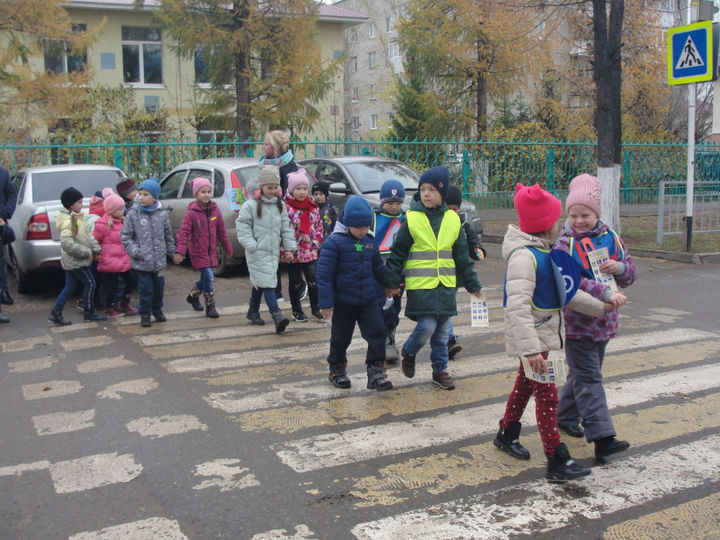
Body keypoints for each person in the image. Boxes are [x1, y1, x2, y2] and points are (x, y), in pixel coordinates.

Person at [494, 182, 627, 482]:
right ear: (545, 225)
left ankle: (507, 431)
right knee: (547, 396)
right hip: (533, 339)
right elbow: (516, 307)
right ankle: (556, 458)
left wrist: (602, 306)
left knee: (524, 386)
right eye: (556, 220)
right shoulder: (524, 258)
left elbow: (567, 292)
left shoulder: (546, 252)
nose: (560, 224)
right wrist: (530, 349)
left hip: (541, 338)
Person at [554, 173, 637, 461]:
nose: (579, 221)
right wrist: (603, 291)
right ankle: (602, 438)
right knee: (590, 379)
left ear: (596, 213)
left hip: (605, 322)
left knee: (581, 374)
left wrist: (619, 268)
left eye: (585, 215)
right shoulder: (564, 244)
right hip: (577, 323)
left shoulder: (611, 238)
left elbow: (630, 274)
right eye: (573, 215)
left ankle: (564, 416)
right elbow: (571, 282)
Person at [384, 166, 483, 390]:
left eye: (431, 190)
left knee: (441, 333)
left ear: (442, 192)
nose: (426, 194)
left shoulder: (452, 220)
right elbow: (397, 253)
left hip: (445, 286)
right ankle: (409, 351)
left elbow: (462, 257)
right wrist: (391, 282)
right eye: (423, 189)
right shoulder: (412, 219)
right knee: (427, 326)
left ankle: (440, 370)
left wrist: (473, 284)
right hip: (422, 287)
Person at [317, 195, 393, 391]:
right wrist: (326, 303)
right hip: (344, 302)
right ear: (348, 223)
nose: (362, 231)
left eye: (366, 227)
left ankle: (376, 371)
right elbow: (324, 275)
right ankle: (337, 369)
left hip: (368, 300)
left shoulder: (370, 241)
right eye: (358, 227)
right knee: (340, 338)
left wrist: (389, 284)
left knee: (378, 333)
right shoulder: (334, 243)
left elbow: (378, 268)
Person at [236, 165, 297, 333]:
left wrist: (290, 248)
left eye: (275, 187)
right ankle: (277, 316)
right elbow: (243, 227)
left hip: (272, 251)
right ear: (261, 186)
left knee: (262, 280)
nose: (273, 190)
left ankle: (253, 310)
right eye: (269, 187)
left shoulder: (279, 205)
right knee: (268, 283)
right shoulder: (250, 205)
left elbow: (286, 227)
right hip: (256, 251)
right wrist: (252, 245)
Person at [173, 177, 233, 319]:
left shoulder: (215, 210)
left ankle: (193, 296)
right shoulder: (191, 213)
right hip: (198, 251)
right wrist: (180, 251)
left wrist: (227, 247)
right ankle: (210, 306)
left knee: (205, 278)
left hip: (211, 251)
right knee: (209, 277)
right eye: (203, 192)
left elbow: (221, 231)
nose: (206, 195)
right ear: (196, 194)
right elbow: (183, 233)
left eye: (208, 192)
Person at [121, 178, 175, 328]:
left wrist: (172, 252)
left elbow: (168, 235)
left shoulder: (162, 214)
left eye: (146, 194)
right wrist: (135, 252)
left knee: (159, 288)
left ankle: (157, 309)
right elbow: (125, 236)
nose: (142, 197)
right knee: (145, 289)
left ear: (155, 197)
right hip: (142, 261)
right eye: (140, 194)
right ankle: (145, 313)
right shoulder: (133, 214)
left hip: (158, 262)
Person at [48, 187, 107, 325]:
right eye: (79, 202)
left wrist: (96, 249)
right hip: (76, 261)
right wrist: (86, 252)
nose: (82, 205)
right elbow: (67, 243)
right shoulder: (69, 221)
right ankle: (89, 311)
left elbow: (86, 235)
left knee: (70, 287)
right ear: (71, 205)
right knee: (91, 283)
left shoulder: (77, 218)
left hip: (74, 260)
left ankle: (55, 312)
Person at [259, 129, 302, 302]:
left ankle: (298, 288)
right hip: (267, 216)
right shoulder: (264, 164)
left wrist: (277, 201)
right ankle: (275, 291)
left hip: (283, 217)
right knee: (271, 255)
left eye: (266, 144)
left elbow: (290, 193)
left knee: (287, 256)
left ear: (276, 148)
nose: (263, 147)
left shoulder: (288, 167)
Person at [444, 184, 485, 360]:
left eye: (455, 209)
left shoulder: (463, 224)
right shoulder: (438, 225)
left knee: (448, 306)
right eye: (449, 208)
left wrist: (477, 249)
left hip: (457, 275)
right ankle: (448, 339)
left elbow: (472, 240)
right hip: (442, 273)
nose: (452, 212)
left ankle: (446, 338)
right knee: (446, 307)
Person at [372, 179, 407, 364]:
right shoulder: (374, 218)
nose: (394, 207)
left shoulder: (407, 218)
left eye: (398, 203)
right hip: (379, 271)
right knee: (380, 305)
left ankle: (390, 335)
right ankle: (381, 339)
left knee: (395, 306)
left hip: (399, 272)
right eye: (390, 203)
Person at [284, 170, 323, 322]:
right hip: (293, 252)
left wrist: (317, 241)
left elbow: (318, 226)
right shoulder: (286, 208)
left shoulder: (312, 207)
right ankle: (296, 310)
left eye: (304, 188)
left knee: (313, 280)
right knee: (295, 282)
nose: (301, 192)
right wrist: (286, 248)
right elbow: (283, 229)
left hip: (309, 251)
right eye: (298, 188)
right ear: (291, 190)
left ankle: (316, 307)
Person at [92, 192, 137, 317]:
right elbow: (94, 240)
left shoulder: (123, 222)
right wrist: (96, 253)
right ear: (111, 210)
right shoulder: (103, 225)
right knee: (113, 285)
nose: (122, 212)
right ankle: (109, 308)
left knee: (131, 280)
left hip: (123, 259)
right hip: (109, 261)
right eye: (119, 209)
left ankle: (124, 302)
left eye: (123, 209)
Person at [0, 165, 17, 310]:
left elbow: (12, 194)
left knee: (1, 261)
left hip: (0, 222)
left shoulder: (3, 173)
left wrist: (5, 212)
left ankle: (3, 291)